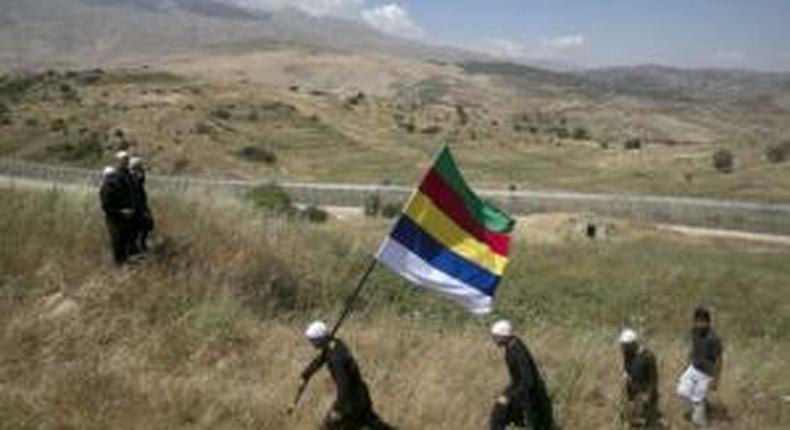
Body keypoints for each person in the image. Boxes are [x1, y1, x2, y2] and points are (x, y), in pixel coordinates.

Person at [294, 321, 394, 430]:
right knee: (373, 425)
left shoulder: (336, 359)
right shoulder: (335, 344)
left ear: (320, 339)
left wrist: (338, 409)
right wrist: (306, 375)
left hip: (351, 401)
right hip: (361, 394)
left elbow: (344, 384)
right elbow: (321, 359)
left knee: (330, 427)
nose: (311, 343)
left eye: (313, 340)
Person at [489, 320, 555, 430]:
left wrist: (510, 396)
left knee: (500, 414)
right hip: (524, 391)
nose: (494, 339)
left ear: (504, 336)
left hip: (532, 396)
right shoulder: (513, 345)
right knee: (499, 412)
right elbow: (519, 379)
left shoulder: (517, 350)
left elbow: (528, 380)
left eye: (496, 336)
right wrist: (507, 394)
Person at [676, 307, 723, 427]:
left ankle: (700, 421)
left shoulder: (713, 339)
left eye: (702, 322)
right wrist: (687, 364)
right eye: (697, 321)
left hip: (706, 373)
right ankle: (704, 403)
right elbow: (692, 348)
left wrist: (716, 380)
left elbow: (718, 360)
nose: (699, 324)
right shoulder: (694, 331)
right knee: (682, 391)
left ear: (708, 322)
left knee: (697, 404)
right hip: (693, 368)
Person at [99, 151, 137, 265]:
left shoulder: (128, 177)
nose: (126, 162)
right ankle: (119, 270)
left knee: (127, 243)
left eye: (127, 160)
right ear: (117, 162)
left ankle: (126, 267)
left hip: (128, 217)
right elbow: (106, 203)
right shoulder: (112, 180)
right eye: (124, 160)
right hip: (115, 218)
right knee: (118, 244)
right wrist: (120, 211)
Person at [619, 328, 661, 429]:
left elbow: (653, 379)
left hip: (645, 393)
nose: (623, 348)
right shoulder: (627, 354)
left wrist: (648, 395)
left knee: (646, 423)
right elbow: (627, 367)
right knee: (633, 420)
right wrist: (626, 375)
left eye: (625, 346)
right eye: (623, 345)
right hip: (632, 392)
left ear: (633, 344)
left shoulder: (648, 357)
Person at [129, 157, 154, 252]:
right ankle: (136, 247)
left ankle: (141, 244)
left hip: (141, 205)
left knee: (147, 224)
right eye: (138, 166)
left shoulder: (137, 176)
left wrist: (142, 171)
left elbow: (142, 179)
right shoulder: (129, 176)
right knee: (137, 228)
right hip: (135, 206)